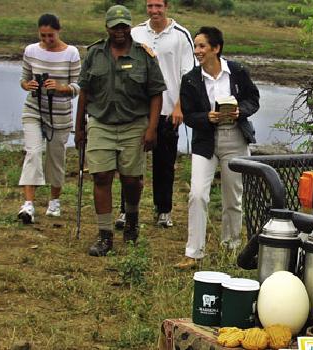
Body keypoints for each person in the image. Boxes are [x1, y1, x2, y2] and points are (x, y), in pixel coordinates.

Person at [75, 5, 166, 257]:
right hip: (101, 123)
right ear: (107, 27)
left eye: (124, 26)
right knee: (101, 176)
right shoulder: (94, 54)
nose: (120, 31)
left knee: (131, 179)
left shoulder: (144, 55)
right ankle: (105, 235)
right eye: (115, 26)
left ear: (130, 26)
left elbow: (156, 93)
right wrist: (78, 127)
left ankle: (132, 219)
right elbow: (84, 92)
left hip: (134, 124)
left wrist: (152, 128)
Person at [174, 26, 260, 269]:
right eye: (196, 47)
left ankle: (230, 247)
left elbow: (253, 99)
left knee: (233, 197)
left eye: (202, 46)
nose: (197, 51)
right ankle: (193, 252)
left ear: (216, 48)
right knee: (197, 194)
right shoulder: (190, 79)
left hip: (235, 138)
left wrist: (239, 111)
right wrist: (206, 118)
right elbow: (189, 115)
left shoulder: (237, 71)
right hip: (205, 141)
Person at [120, 0, 195, 229]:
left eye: (158, 6)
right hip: (137, 110)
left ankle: (164, 210)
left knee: (164, 163)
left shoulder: (181, 35)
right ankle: (126, 211)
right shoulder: (136, 33)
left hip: (168, 109)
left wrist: (180, 106)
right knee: (130, 164)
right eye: (150, 6)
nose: (154, 11)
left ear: (166, 6)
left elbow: (188, 74)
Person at [17, 13, 81, 224]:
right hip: (33, 108)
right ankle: (28, 205)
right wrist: (29, 85)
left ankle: (54, 201)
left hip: (60, 115)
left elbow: (77, 87)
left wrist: (60, 88)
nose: (46, 40)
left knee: (56, 158)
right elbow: (23, 79)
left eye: (50, 36)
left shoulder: (71, 53)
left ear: (58, 31)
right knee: (33, 152)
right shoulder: (31, 50)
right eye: (43, 36)